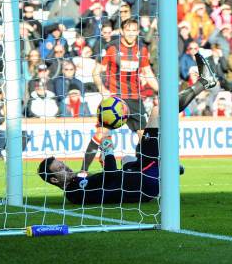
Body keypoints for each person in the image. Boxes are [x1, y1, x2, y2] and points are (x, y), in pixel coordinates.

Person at [37, 54, 218, 204]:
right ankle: (204, 82)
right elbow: (111, 177)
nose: (66, 166)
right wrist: (107, 150)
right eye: (60, 167)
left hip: (141, 179)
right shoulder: (75, 191)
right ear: (54, 179)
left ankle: (168, 168)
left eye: (62, 163)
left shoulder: (76, 182)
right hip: (146, 182)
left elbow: (109, 181)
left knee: (129, 157)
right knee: (158, 110)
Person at [84, 18, 158, 172]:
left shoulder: (142, 50)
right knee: (101, 133)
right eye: (128, 30)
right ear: (122, 31)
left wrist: (162, 91)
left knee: (144, 137)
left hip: (135, 99)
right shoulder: (111, 48)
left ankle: (142, 169)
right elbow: (96, 72)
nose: (131, 33)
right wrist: (102, 89)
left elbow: (148, 73)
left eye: (134, 30)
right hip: (115, 100)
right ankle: (83, 171)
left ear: (138, 32)